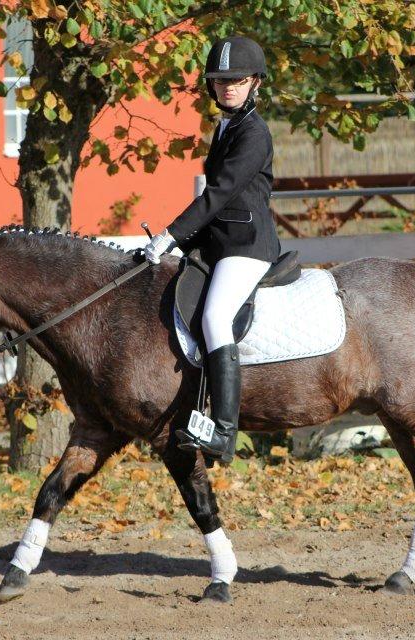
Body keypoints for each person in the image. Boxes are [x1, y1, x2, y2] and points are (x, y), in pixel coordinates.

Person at [144, 35, 281, 463]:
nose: (227, 88)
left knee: (215, 316)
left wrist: (170, 234)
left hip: (247, 245)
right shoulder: (226, 126)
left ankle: (223, 431)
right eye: (220, 81)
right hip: (219, 244)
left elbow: (219, 194)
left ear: (255, 82)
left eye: (236, 81)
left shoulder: (254, 133)